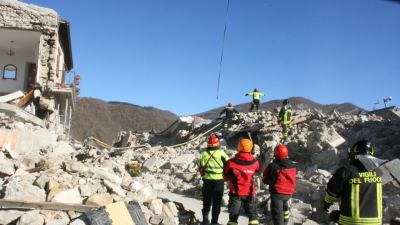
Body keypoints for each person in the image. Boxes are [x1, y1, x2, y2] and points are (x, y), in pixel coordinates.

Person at [323, 140, 384, 225]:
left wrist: (327, 203)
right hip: (376, 222)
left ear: (353, 154)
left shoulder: (346, 170)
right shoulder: (380, 172)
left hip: (350, 221)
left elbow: (332, 190)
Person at [224, 138, 260, 225]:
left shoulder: (231, 162)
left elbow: (225, 177)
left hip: (235, 193)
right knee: (253, 217)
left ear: (239, 147)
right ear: (251, 148)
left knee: (233, 217)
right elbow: (256, 171)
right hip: (250, 193)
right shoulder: (255, 162)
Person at [262, 144, 296, 225]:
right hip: (289, 193)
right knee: (285, 207)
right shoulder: (292, 164)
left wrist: (266, 180)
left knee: (277, 214)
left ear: (275, 154)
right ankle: (286, 221)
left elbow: (266, 180)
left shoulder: (273, 166)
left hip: (277, 194)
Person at [199, 134, 229, 225]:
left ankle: (205, 220)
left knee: (206, 200)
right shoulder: (221, 153)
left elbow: (200, 167)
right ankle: (214, 222)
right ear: (218, 144)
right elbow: (229, 164)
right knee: (217, 202)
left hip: (207, 181)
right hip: (219, 181)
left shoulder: (203, 153)